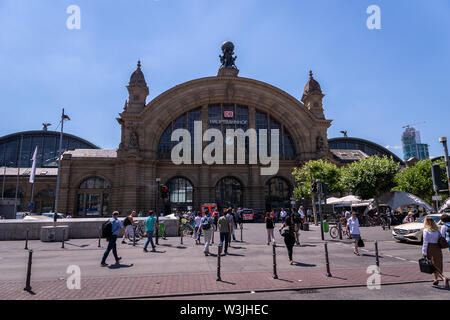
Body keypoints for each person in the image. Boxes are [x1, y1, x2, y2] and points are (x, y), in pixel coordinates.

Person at [422, 217, 449, 288]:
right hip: (437, 248)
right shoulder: (437, 231)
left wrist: (424, 251)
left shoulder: (426, 230)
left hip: (430, 248)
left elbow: (425, 242)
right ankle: (435, 279)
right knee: (437, 264)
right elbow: (441, 238)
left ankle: (443, 278)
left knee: (432, 265)